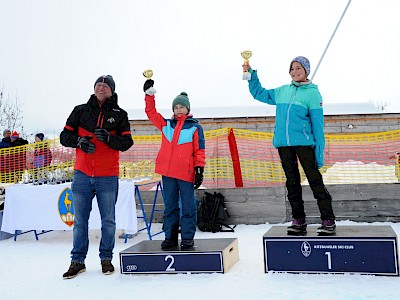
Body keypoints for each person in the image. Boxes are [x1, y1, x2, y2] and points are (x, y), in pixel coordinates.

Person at [243, 56, 336, 236]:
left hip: (304, 144)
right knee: (292, 183)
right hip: (284, 145)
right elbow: (258, 93)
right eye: (292, 68)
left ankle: (328, 220)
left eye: (299, 68)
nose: (295, 71)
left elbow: (318, 126)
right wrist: (250, 74)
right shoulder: (282, 91)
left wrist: (319, 153)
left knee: (315, 181)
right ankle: (298, 220)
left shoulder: (312, 93)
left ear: (306, 70)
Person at [60, 75, 133, 279]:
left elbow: (127, 143)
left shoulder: (120, 114)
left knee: (108, 221)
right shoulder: (80, 110)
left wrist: (110, 139)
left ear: (111, 90)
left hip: (107, 176)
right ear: (94, 89)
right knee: (80, 221)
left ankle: (106, 259)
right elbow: (64, 136)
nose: (101, 87)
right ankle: (77, 261)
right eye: (98, 84)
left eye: (105, 85)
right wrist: (79, 141)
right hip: (82, 174)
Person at [143, 79, 206, 250]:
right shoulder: (166, 125)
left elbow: (199, 150)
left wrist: (199, 169)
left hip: (185, 174)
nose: (178, 110)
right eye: (175, 107)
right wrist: (149, 95)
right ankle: (170, 237)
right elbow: (151, 112)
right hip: (168, 174)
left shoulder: (194, 127)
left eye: (181, 107)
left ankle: (187, 238)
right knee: (170, 207)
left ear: (188, 109)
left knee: (188, 206)